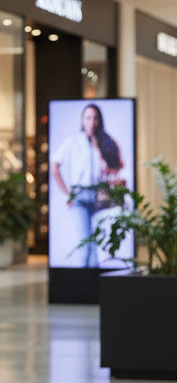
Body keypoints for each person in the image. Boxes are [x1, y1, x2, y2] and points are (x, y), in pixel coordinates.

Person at [51, 102, 124, 267]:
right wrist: (66, 192)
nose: (92, 122)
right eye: (88, 118)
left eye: (95, 118)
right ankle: (85, 285)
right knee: (86, 244)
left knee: (95, 245)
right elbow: (55, 166)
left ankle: (93, 287)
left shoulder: (103, 143)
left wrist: (100, 151)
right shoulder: (73, 142)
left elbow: (116, 167)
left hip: (99, 199)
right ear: (83, 120)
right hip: (80, 198)